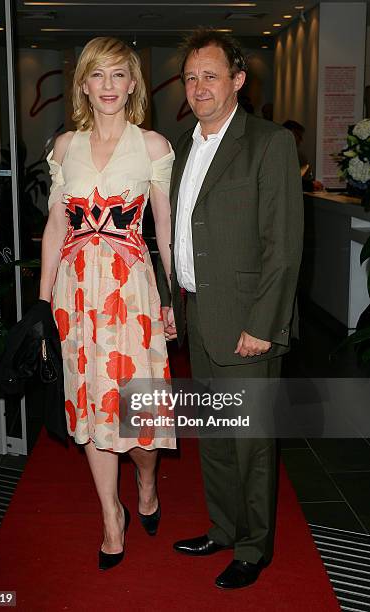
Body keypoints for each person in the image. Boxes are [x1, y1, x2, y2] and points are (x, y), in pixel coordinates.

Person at [160, 29, 303, 589]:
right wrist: (177, 303)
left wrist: (264, 326)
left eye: (210, 75)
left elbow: (284, 246)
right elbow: (180, 234)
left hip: (248, 324)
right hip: (199, 315)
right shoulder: (182, 146)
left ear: (238, 81)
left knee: (251, 445)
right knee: (216, 439)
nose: (198, 87)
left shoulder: (268, 142)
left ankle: (254, 547)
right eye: (191, 77)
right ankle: (222, 528)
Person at [39, 36, 176, 571]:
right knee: (94, 411)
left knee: (135, 414)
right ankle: (110, 518)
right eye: (99, 75)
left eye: (120, 75)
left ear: (134, 84)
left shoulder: (153, 146)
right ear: (83, 85)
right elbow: (55, 227)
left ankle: (145, 478)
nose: (110, 86)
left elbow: (163, 230)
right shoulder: (64, 147)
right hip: (76, 296)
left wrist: (170, 299)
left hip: (132, 295)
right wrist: (44, 304)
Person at [282, 119, 324, 191]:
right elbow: (290, 180)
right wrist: (311, 185)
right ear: (290, 134)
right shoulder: (283, 154)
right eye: (299, 136)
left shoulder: (284, 152)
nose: (300, 140)